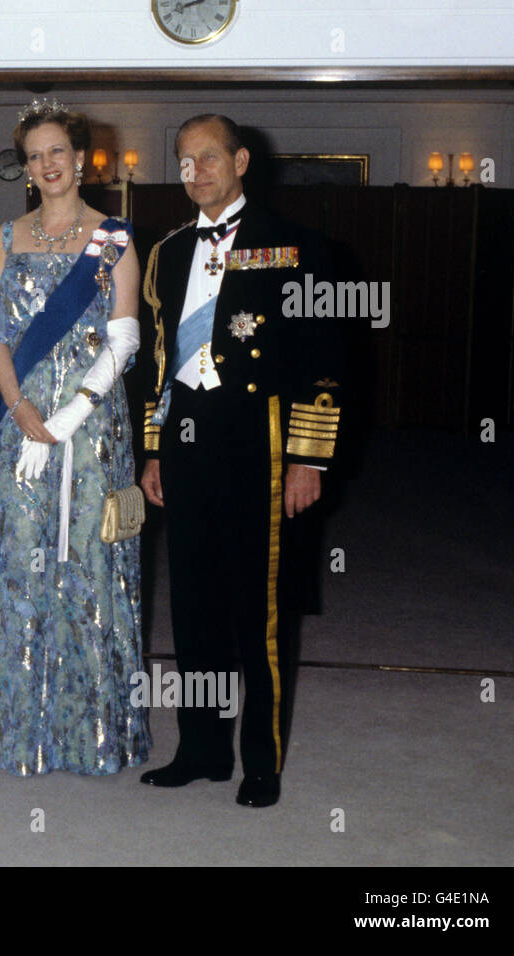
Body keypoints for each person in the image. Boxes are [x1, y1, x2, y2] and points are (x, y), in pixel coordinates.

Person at [138, 114, 342, 808]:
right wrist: (155, 448)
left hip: (262, 446)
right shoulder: (166, 254)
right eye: (185, 161)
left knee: (261, 615)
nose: (196, 171)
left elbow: (325, 363)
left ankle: (261, 761)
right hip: (190, 446)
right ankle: (199, 750)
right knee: (193, 610)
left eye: (209, 158)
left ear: (242, 161)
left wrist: (309, 459)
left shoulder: (295, 247)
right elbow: (161, 367)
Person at [0, 99, 150, 776]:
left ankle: (90, 729)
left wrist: (65, 420)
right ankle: (8, 727)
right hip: (22, 421)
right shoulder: (7, 238)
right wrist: (20, 411)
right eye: (35, 156)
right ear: (26, 167)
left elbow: (123, 340)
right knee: (18, 558)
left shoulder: (115, 239)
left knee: (89, 562)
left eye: (58, 151)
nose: (48, 165)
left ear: (82, 157)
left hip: (92, 425)